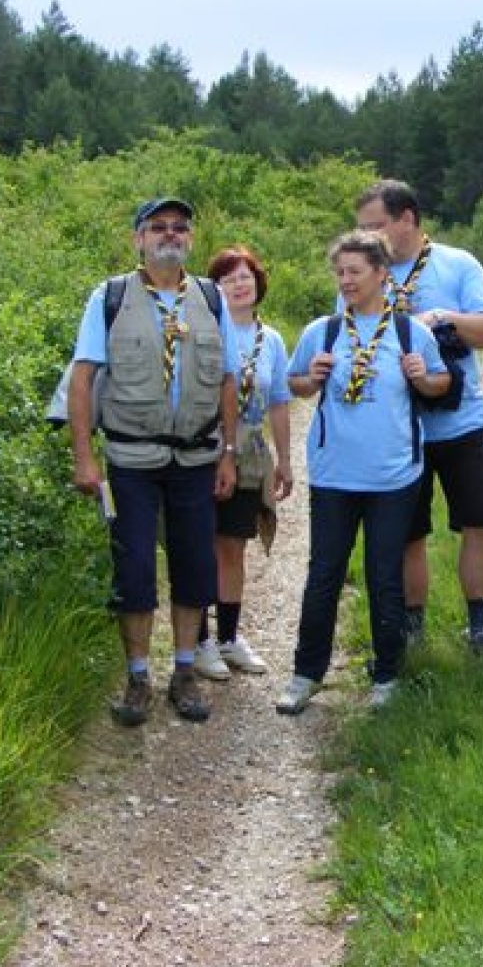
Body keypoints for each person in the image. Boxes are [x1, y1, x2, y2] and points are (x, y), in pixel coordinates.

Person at [67, 197, 239, 726]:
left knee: (194, 566)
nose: (170, 235)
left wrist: (228, 453)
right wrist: (83, 458)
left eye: (180, 227)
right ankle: (138, 677)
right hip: (129, 460)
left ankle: (183, 673)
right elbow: (83, 378)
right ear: (138, 239)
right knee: (135, 568)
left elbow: (229, 378)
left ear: (191, 238)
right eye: (158, 227)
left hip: (197, 458)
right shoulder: (111, 297)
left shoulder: (210, 298)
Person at [276, 230, 451, 715]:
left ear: (381, 275)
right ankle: (306, 674)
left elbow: (440, 383)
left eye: (355, 272)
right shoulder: (323, 331)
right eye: (340, 272)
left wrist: (424, 376)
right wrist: (309, 377)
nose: (346, 281)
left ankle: (387, 674)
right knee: (323, 574)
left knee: (384, 576)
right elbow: (295, 384)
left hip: (393, 477)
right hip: (334, 475)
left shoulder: (410, 332)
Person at [353, 179, 483, 658]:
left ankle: (482, 630)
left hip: (462, 423)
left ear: (407, 218)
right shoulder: (363, 270)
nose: (368, 236)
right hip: (396, 428)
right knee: (408, 534)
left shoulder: (457, 264)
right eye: (361, 227)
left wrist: (442, 318)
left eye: (376, 226)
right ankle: (412, 633)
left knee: (482, 525)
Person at [193, 245, 293, 682]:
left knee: (234, 544)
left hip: (251, 453)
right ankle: (198, 641)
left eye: (246, 276)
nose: (239, 283)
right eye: (229, 277)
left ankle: (229, 637)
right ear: (214, 288)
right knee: (198, 543)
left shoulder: (270, 340)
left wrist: (285, 460)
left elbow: (280, 402)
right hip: (202, 448)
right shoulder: (202, 331)